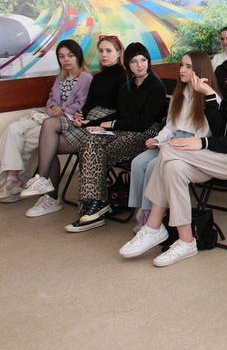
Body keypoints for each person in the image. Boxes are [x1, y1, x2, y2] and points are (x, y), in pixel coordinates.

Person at [119, 39, 227, 266]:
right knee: (173, 168)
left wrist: (203, 143)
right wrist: (208, 94)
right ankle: (186, 241)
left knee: (169, 149)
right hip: (223, 156)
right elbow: (221, 130)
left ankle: (153, 226)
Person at [65, 43, 167, 232]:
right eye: (134, 61)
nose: (140, 65)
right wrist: (91, 123)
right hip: (125, 129)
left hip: (148, 134)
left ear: (148, 61)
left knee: (97, 152)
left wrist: (110, 125)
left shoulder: (155, 86)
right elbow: (120, 114)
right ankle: (95, 204)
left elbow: (142, 124)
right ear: (128, 64)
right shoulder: (128, 85)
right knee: (89, 140)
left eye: (143, 60)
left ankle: (92, 207)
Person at [18, 36, 127, 205]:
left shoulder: (124, 76)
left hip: (104, 126)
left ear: (119, 53)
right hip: (89, 120)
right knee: (48, 134)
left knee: (49, 146)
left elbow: (122, 111)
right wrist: (80, 116)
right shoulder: (98, 77)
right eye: (100, 51)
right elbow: (89, 104)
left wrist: (91, 123)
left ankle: (49, 195)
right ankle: (44, 185)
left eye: (108, 51)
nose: (104, 55)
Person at [127, 51, 221, 233]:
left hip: (190, 145)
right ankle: (143, 208)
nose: (182, 70)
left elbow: (205, 134)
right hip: (171, 139)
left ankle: (150, 214)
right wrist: (157, 139)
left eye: (188, 67)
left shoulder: (210, 97)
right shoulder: (179, 93)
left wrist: (174, 143)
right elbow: (170, 126)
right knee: (138, 162)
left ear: (200, 70)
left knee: (154, 165)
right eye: (181, 65)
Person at [0, 40, 92, 215]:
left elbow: (83, 104)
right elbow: (51, 100)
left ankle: (19, 181)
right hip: (49, 117)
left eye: (70, 55)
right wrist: (53, 107)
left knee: (26, 139)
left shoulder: (85, 78)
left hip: (66, 122)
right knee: (13, 128)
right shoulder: (60, 78)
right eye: (62, 56)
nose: (66, 60)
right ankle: (13, 178)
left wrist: (62, 110)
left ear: (78, 56)